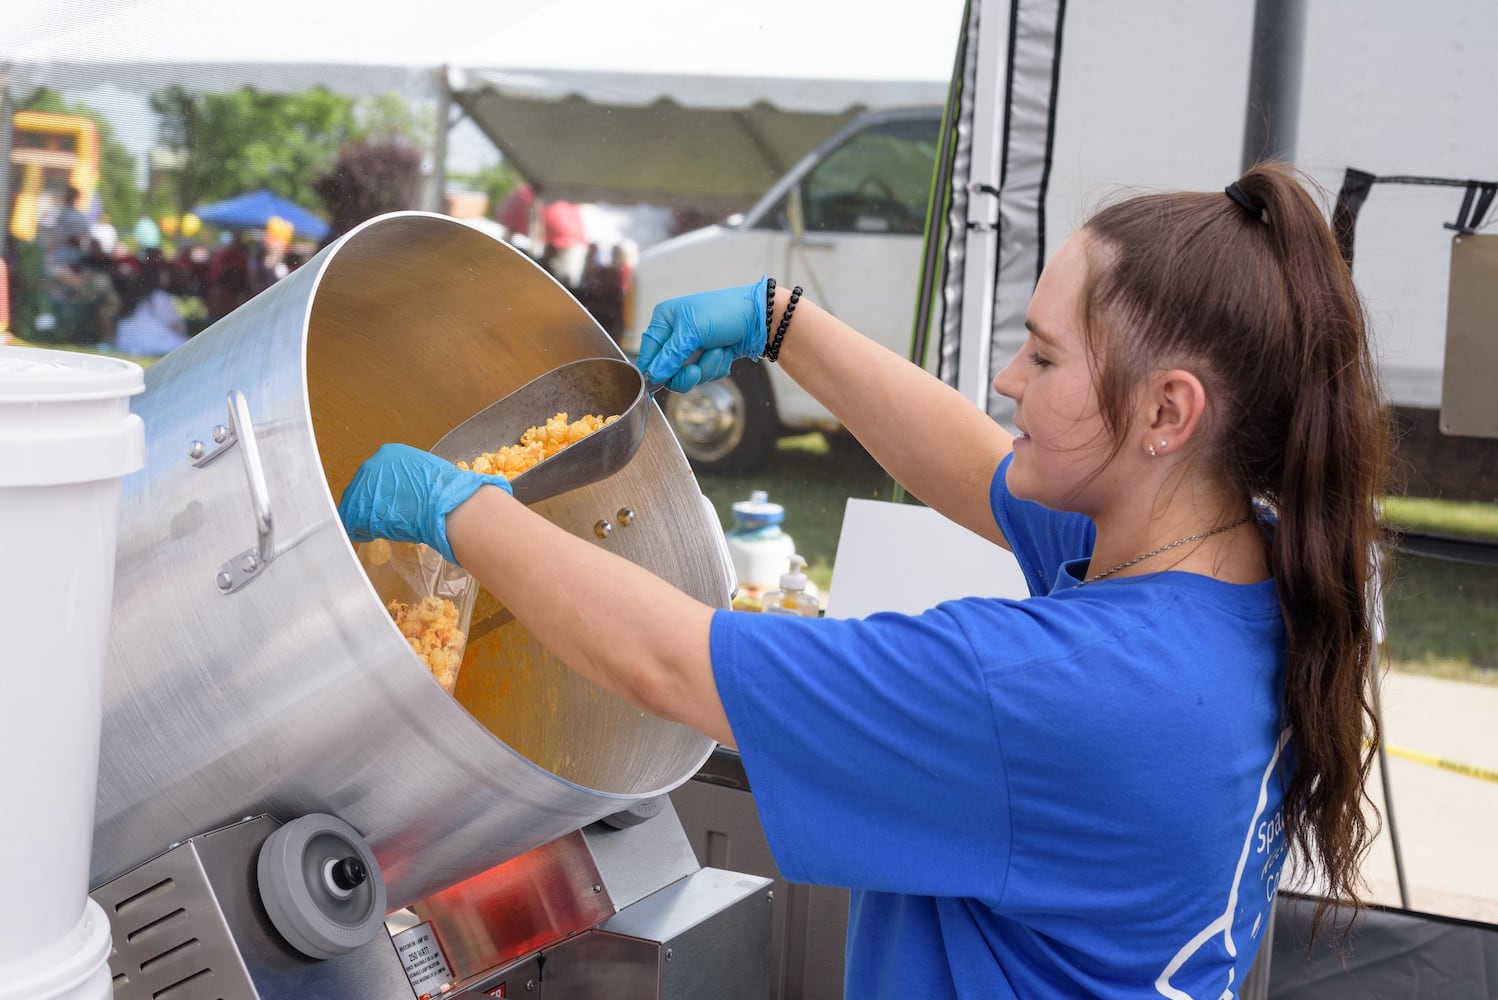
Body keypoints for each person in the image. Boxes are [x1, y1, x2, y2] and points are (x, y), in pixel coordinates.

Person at [338, 163, 1389, 997]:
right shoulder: (1232, 562)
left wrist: (461, 507)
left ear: (1168, 412)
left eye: (1044, 357)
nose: (1006, 380)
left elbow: (673, 664)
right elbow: (980, 465)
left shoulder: (1054, 690)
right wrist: (781, 321)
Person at [114, 258, 188, 356]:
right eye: (164, 274)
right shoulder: (161, 297)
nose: (167, 277)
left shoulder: (134, 296)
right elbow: (175, 325)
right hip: (151, 344)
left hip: (125, 343)